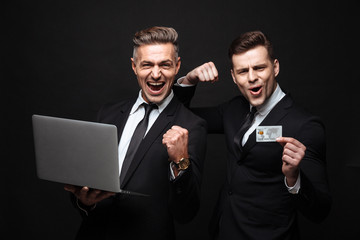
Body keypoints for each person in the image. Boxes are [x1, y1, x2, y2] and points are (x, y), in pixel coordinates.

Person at [176, 30, 331, 239]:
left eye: (259, 68)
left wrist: (295, 178)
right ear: (233, 76)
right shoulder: (233, 109)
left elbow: (320, 210)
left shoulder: (305, 126)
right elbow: (182, 117)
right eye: (242, 71)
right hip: (224, 230)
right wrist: (189, 81)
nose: (252, 78)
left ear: (275, 67)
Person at [64, 26, 207, 240]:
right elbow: (88, 183)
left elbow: (186, 213)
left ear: (177, 66)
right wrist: (84, 202)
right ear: (134, 67)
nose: (156, 74)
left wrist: (181, 161)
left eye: (165, 65)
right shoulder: (108, 113)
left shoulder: (192, 125)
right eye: (147, 64)